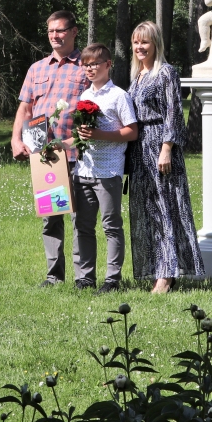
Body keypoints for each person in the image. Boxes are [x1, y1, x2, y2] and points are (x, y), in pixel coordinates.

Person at [11, 11, 89, 287]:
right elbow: (25, 107)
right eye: (51, 31)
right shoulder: (37, 68)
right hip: (46, 157)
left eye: (60, 31)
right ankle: (54, 277)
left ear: (74, 32)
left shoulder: (86, 67)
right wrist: (16, 139)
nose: (55, 36)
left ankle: (83, 278)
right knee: (51, 218)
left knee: (81, 218)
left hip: (78, 154)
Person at [126, 21, 205, 293]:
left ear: (156, 44)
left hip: (161, 147)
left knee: (167, 208)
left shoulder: (166, 73)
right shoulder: (137, 77)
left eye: (144, 42)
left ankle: (167, 273)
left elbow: (173, 112)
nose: (139, 47)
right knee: (148, 212)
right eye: (136, 42)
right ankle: (156, 267)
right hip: (139, 151)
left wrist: (167, 147)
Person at [69, 43, 138, 292]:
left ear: (108, 65)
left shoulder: (119, 96)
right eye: (85, 64)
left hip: (108, 172)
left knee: (111, 226)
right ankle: (85, 277)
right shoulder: (84, 97)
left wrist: (99, 134)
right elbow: (81, 136)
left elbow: (132, 131)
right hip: (83, 171)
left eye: (95, 64)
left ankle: (112, 279)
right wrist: (59, 145)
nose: (89, 68)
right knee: (82, 226)